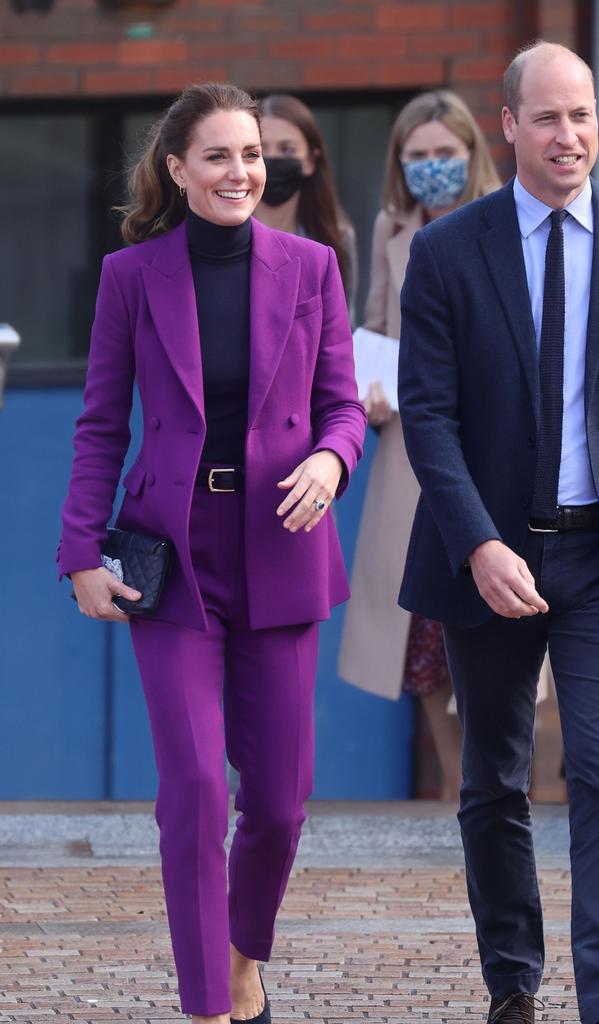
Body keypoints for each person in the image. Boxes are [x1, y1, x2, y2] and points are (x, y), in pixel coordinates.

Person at [397, 42, 599, 1024]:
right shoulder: (450, 249)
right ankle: (513, 978)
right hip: (489, 551)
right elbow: (428, 413)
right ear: (509, 126)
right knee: (493, 774)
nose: (568, 135)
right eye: (547, 118)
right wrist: (478, 543)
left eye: (580, 116)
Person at [57, 82, 366, 1024]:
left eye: (252, 155)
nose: (242, 171)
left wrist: (331, 457)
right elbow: (103, 423)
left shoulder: (312, 267)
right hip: (173, 557)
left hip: (282, 544)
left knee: (277, 802)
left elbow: (344, 407)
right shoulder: (130, 277)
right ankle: (209, 1009)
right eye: (221, 155)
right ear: (178, 170)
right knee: (193, 788)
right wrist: (78, 548)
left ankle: (242, 955)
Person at [338, 90, 501, 802]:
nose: (432, 167)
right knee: (421, 642)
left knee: (495, 632)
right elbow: (375, 327)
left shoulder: (509, 217)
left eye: (445, 154)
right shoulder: (391, 227)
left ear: (472, 153)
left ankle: (501, 798)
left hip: (495, 451)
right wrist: (365, 393)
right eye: (418, 156)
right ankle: (459, 803)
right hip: (411, 455)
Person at [254, 93, 358, 321]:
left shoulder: (337, 238)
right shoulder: (223, 235)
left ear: (311, 161)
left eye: (287, 150)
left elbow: (342, 328)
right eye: (260, 151)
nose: (272, 159)